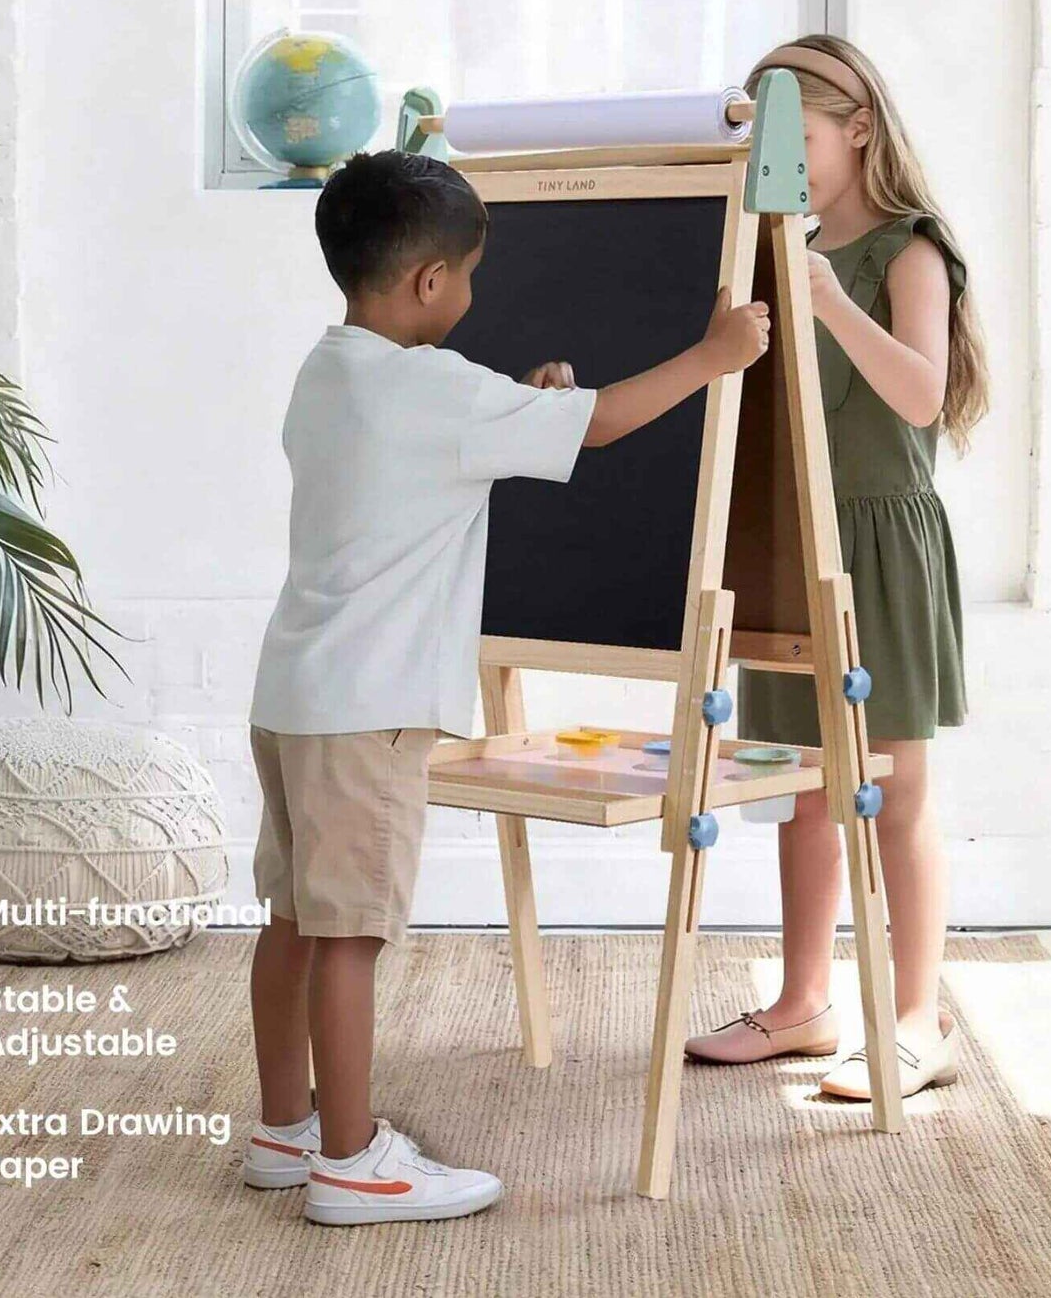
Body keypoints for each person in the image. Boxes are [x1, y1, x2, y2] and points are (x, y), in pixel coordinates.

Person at [244, 149, 771, 1224]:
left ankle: (281, 1127)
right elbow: (612, 419)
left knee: (294, 917)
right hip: (371, 709)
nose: (475, 294)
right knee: (351, 934)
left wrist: (528, 407)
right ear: (429, 282)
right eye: (470, 274)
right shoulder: (438, 389)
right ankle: (350, 1162)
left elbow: (461, 441)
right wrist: (716, 353)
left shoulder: (328, 369)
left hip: (294, 690)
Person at [686, 36, 988, 1101]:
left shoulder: (908, 250)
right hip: (795, 535)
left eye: (799, 140)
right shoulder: (786, 245)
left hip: (880, 542)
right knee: (803, 788)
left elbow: (916, 397)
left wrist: (823, 299)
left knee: (890, 787)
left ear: (856, 128)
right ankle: (802, 1001)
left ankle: (913, 1017)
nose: (790, 165)